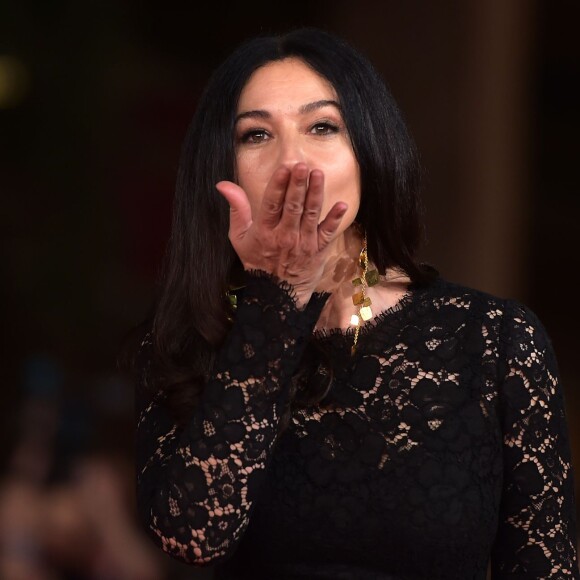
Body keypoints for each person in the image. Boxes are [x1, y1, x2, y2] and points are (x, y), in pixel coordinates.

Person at [129, 26, 580, 578]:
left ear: (369, 150)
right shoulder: (186, 342)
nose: (293, 162)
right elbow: (192, 534)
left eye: (322, 127)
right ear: (225, 172)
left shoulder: (494, 339)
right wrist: (280, 295)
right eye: (256, 136)